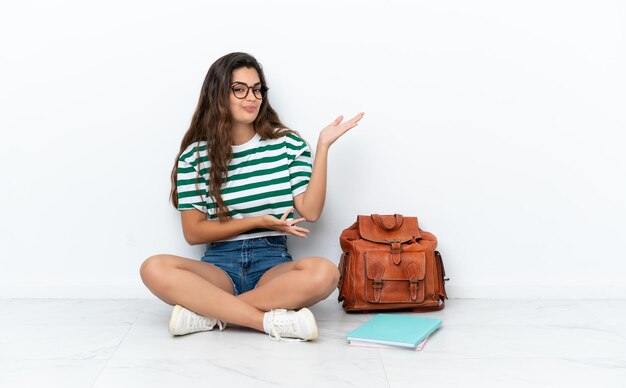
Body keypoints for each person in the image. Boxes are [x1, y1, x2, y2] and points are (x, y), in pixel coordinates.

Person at [140, 52, 364, 341]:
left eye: (257, 89)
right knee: (154, 268)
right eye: (240, 89)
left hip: (271, 265)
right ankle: (266, 322)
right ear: (218, 94)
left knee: (326, 273)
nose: (252, 97)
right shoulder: (194, 156)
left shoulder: (287, 144)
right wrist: (257, 221)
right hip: (219, 267)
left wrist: (323, 147)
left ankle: (209, 314)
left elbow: (310, 212)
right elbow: (193, 233)